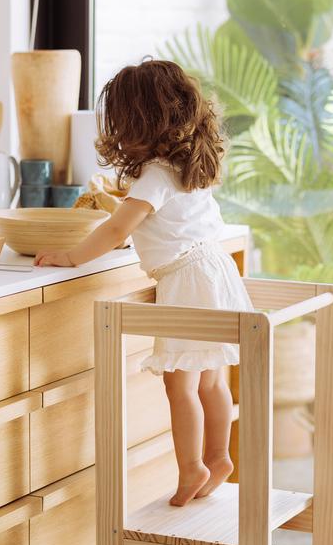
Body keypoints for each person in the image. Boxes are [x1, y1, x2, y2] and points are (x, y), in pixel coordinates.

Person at [35, 59, 253, 506]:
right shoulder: (189, 165)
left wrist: (71, 257)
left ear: (137, 122)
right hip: (217, 270)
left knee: (180, 385)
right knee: (211, 381)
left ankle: (192, 466)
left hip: (188, 280)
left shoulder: (153, 174)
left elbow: (118, 229)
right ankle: (218, 455)